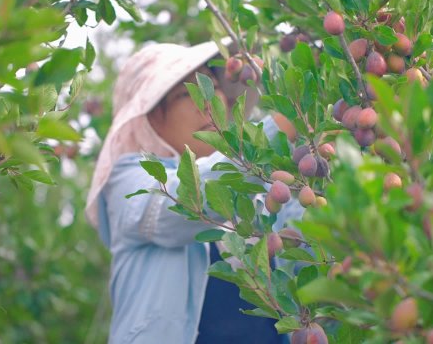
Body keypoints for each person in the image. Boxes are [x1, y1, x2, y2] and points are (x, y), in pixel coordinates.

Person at [85, 40, 302, 344]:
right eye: (190, 92)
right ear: (153, 114)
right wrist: (281, 125)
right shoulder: (129, 180)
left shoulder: (257, 193)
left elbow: (314, 239)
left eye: (215, 89)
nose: (211, 101)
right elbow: (184, 201)